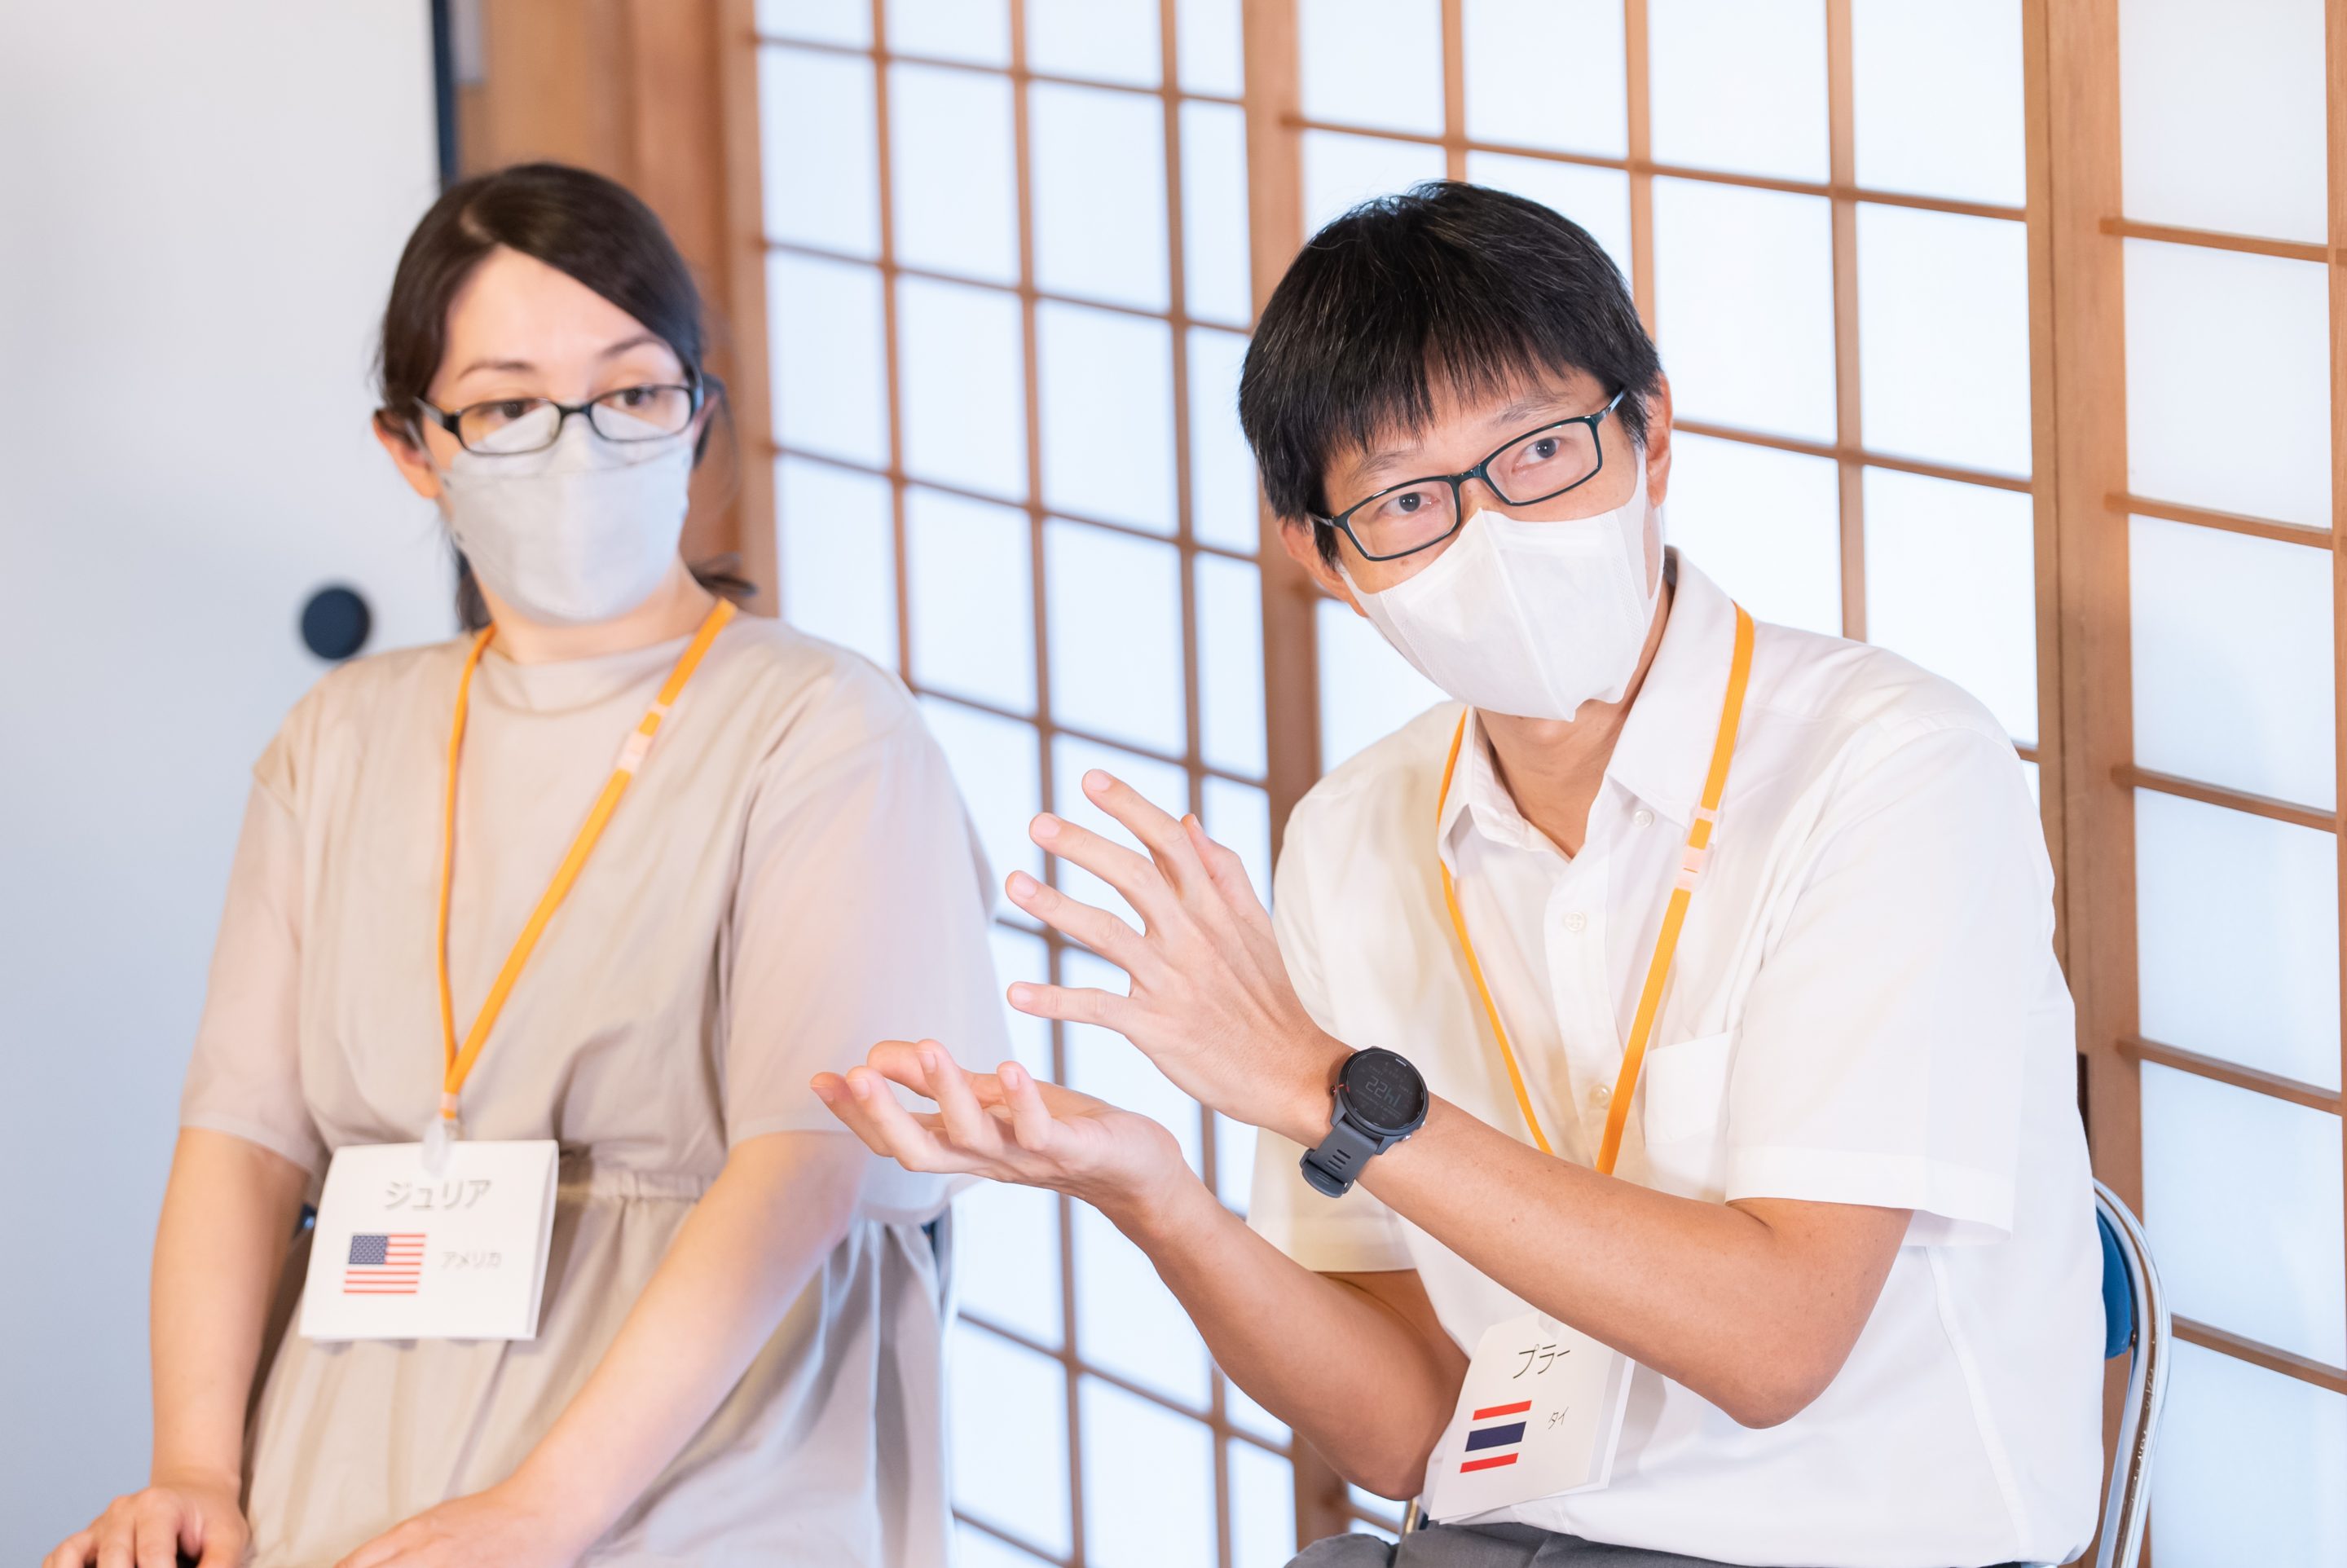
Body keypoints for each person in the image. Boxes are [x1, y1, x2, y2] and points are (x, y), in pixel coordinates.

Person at [817, 182, 2104, 1568]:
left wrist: (1328, 1089)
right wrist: (1154, 1195)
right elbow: (1408, 1428)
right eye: (1409, 500)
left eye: (1540, 450)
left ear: (1652, 433)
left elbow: (1775, 1345)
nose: (1493, 532)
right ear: (1323, 555)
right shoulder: (1354, 833)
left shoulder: (1890, 767)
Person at [45, 163, 1006, 1568]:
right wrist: (193, 1467)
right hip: (343, 1432)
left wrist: (543, 1511)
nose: (577, 443)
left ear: (695, 414)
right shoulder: (339, 737)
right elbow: (241, 1139)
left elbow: (804, 1168)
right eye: (506, 406)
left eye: (630, 392)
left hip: (700, 1461)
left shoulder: (823, 726)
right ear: (412, 448)